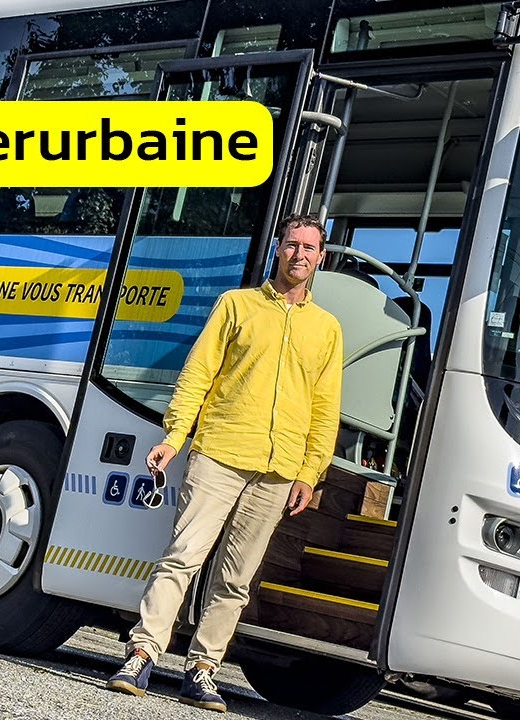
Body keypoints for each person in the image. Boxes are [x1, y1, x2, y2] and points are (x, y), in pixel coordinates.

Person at [105, 214, 344, 712]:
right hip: (220, 451)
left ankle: (203, 669)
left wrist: (310, 472)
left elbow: (325, 406)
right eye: (291, 245)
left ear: (321, 258)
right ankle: (141, 654)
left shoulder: (327, 329)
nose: (299, 255)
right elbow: (198, 373)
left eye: (309, 248)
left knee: (236, 579)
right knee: (183, 556)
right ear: (278, 250)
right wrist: (174, 437)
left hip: (279, 469)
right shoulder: (236, 305)